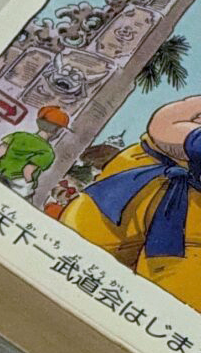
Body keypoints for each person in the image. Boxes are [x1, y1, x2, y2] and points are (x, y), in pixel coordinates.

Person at [61, 91, 201, 309]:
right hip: (132, 188)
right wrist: (190, 138)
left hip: (187, 229)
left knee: (171, 298)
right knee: (71, 250)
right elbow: (164, 124)